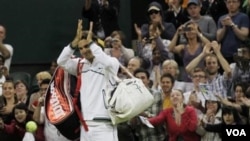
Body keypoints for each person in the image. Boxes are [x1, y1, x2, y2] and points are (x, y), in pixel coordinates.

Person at [57, 20, 119, 141]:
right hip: (85, 126)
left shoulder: (111, 63)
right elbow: (61, 61)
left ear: (94, 44)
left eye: (87, 46)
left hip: (104, 126)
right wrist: (73, 44)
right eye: (81, 48)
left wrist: (92, 44)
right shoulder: (80, 65)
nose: (84, 50)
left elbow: (103, 59)